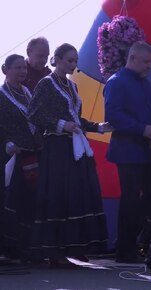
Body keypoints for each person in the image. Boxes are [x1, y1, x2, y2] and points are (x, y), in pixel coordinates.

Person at [28, 43, 109, 267]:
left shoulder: (72, 87)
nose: (74, 65)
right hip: (57, 148)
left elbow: (77, 119)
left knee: (78, 194)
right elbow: (34, 114)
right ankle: (55, 250)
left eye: (76, 61)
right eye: (70, 60)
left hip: (74, 147)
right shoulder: (47, 84)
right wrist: (61, 125)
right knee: (60, 195)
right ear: (57, 59)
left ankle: (74, 245)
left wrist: (99, 127)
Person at [104, 41, 151, 263]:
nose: (149, 66)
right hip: (127, 150)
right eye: (145, 61)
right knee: (130, 200)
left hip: (144, 151)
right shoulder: (116, 83)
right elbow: (114, 116)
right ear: (132, 58)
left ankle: (136, 241)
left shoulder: (143, 83)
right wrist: (141, 128)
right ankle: (124, 250)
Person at [0, 54, 43, 260]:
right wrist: (8, 143)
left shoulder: (27, 92)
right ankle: (9, 246)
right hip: (11, 155)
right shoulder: (1, 95)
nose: (22, 72)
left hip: (30, 153)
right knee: (11, 199)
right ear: (6, 70)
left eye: (23, 68)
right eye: (17, 68)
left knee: (28, 200)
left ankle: (26, 246)